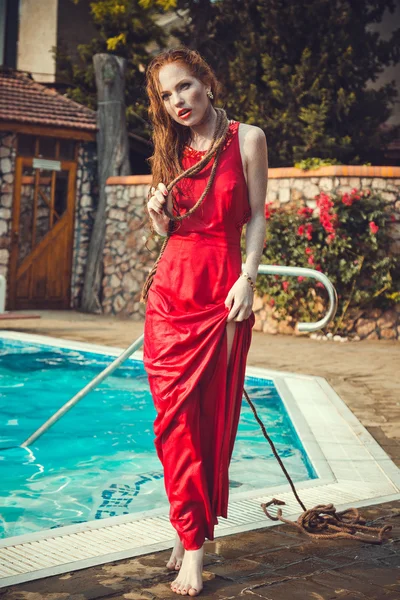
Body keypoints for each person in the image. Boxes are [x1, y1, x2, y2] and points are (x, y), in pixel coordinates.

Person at [142, 47, 268, 596]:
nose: (178, 102)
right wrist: (157, 216)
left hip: (221, 293)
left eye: (185, 87)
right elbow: (170, 232)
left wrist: (249, 277)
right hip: (169, 294)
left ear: (207, 82)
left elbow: (259, 215)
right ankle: (189, 535)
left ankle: (190, 533)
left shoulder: (249, 139)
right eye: (167, 96)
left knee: (209, 418)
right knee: (173, 425)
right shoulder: (171, 148)